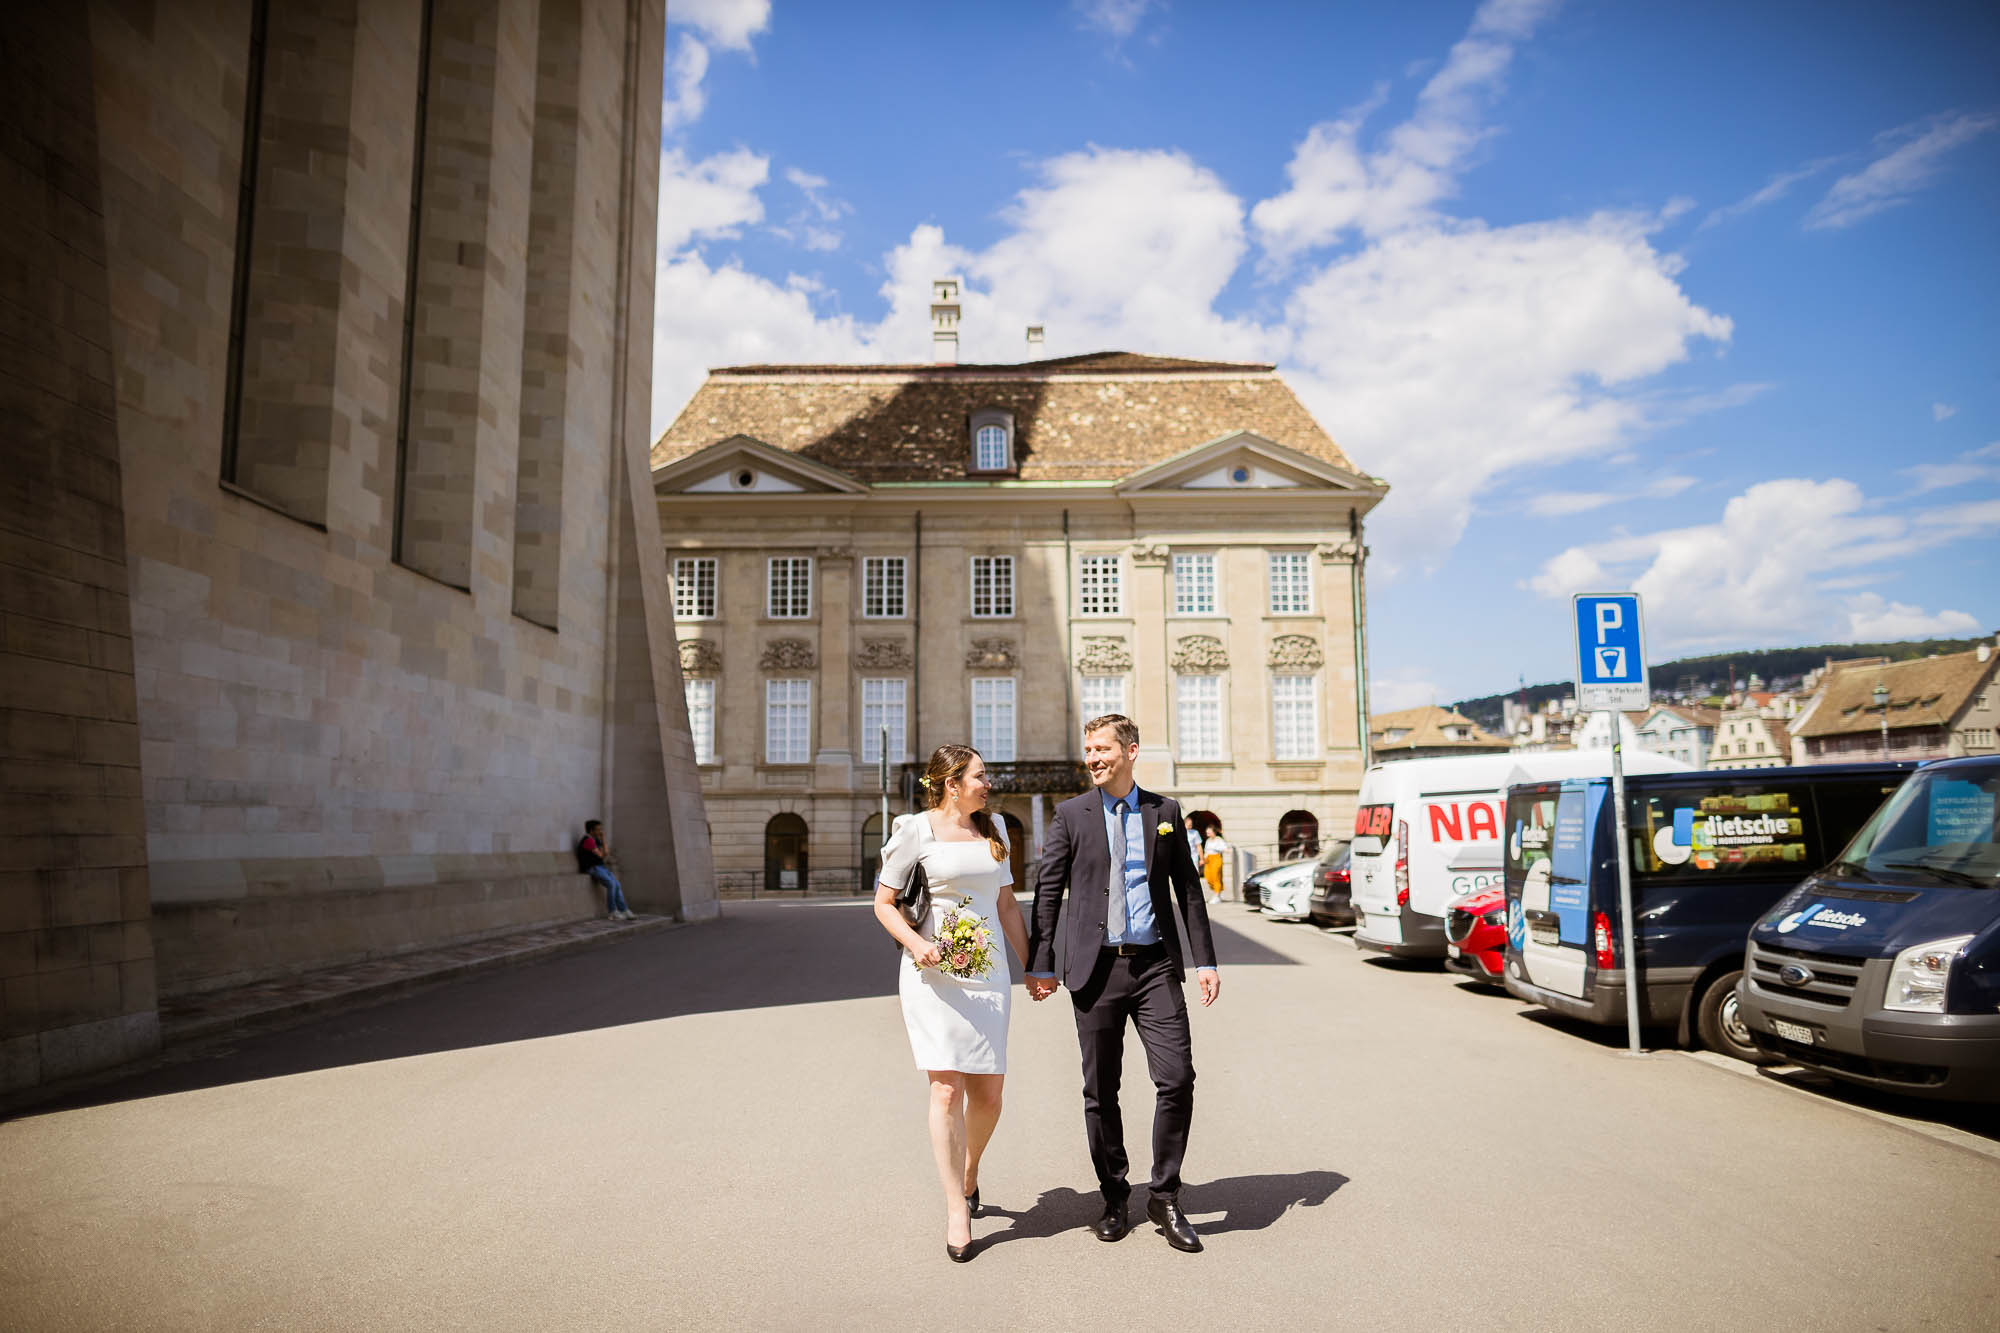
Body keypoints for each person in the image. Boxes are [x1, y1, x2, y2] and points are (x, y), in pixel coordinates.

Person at [1025, 713, 1219, 1253]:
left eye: (1102, 748)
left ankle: (1165, 1194)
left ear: (1131, 752)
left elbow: (1188, 889)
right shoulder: (1071, 815)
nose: (1092, 758)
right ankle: (1114, 1195)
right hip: (1095, 970)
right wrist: (1042, 963)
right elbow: (1048, 893)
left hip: (1155, 964)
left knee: (1177, 1077)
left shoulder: (1165, 812)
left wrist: (1205, 960)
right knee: (1101, 1091)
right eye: (1087, 749)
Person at [872, 744, 1032, 1263]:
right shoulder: (913, 830)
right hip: (932, 974)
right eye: (980, 777)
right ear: (952, 783)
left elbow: (1006, 902)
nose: (988, 784)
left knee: (988, 1096)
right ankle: (955, 1207)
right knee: (945, 1090)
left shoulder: (997, 830)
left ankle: (970, 1170)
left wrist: (1033, 965)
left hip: (987, 973)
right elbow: (885, 903)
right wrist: (917, 944)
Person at [576, 820, 633, 921]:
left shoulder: (596, 840)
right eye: (598, 829)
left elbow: (606, 852)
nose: (600, 831)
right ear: (591, 830)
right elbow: (601, 855)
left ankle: (624, 910)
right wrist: (602, 848)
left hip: (600, 867)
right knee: (611, 884)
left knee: (617, 884)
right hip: (592, 868)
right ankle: (612, 912)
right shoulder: (588, 840)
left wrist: (602, 839)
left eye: (600, 829)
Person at [1201, 822, 1229, 906]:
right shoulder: (1208, 841)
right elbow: (1206, 851)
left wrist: (1227, 850)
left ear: (1213, 832)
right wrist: (1203, 859)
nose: (1207, 834)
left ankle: (1217, 895)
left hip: (1216, 858)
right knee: (1208, 876)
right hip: (1208, 859)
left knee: (1216, 876)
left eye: (1209, 832)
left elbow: (1224, 848)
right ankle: (1217, 893)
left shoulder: (1219, 840)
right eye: (1207, 833)